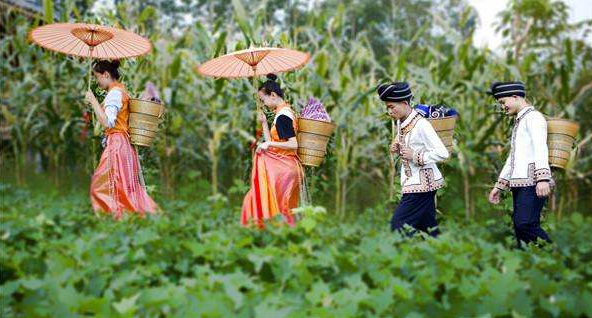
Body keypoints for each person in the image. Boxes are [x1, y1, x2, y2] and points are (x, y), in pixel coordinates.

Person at [85, 60, 158, 219]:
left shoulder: (115, 94)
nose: (97, 82)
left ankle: (115, 216)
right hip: (124, 145)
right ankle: (126, 217)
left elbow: (107, 122)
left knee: (100, 185)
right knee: (124, 185)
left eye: (98, 77)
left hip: (117, 144)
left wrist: (93, 101)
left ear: (106, 74)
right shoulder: (122, 91)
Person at [377, 81, 449, 236]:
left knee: (398, 227)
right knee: (428, 229)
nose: (389, 111)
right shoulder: (402, 121)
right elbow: (407, 138)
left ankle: (398, 257)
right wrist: (395, 143)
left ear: (404, 103)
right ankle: (440, 254)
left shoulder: (421, 124)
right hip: (415, 183)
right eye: (387, 107)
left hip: (421, 185)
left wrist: (415, 155)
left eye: (391, 107)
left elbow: (443, 153)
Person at [487, 81, 553, 246]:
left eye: (503, 102)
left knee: (526, 224)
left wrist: (543, 179)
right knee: (520, 226)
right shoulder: (520, 121)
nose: (503, 107)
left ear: (515, 97)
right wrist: (499, 185)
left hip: (532, 182)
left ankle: (554, 256)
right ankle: (531, 261)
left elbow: (540, 148)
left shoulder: (534, 118)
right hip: (520, 183)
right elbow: (513, 157)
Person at [241, 74, 304, 228]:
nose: (264, 104)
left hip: (284, 168)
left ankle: (262, 233)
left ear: (273, 95)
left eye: (264, 100)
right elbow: (274, 143)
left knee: (261, 200)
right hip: (286, 166)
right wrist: (264, 124)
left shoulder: (283, 117)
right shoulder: (283, 113)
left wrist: (267, 144)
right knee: (282, 208)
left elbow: (293, 144)